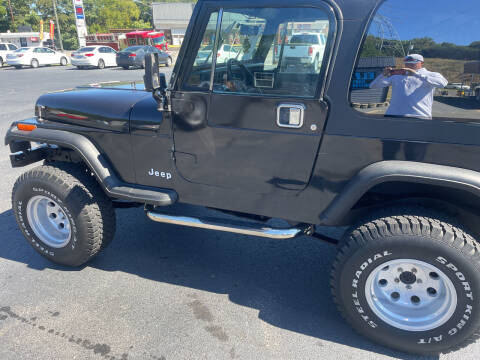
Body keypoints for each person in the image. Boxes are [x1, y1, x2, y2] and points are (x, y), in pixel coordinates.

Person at [370, 54, 448, 119]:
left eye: (413, 62)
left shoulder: (431, 74)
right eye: (407, 62)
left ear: (421, 63)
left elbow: (443, 83)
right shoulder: (398, 75)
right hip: (392, 115)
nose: (409, 64)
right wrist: (383, 75)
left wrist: (416, 74)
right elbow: (373, 86)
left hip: (419, 115)